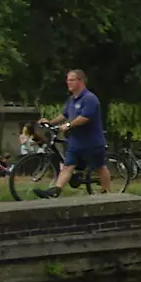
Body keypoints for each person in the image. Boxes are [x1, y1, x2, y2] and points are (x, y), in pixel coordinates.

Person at [38, 69, 111, 197]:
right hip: (76, 142)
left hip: (92, 142)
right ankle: (55, 191)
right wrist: (50, 123)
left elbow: (84, 117)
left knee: (100, 167)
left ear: (81, 81)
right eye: (67, 80)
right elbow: (64, 115)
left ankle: (107, 192)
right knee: (68, 166)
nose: (68, 82)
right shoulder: (72, 99)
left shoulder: (90, 99)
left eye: (72, 80)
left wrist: (68, 125)